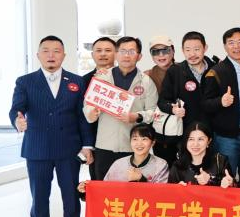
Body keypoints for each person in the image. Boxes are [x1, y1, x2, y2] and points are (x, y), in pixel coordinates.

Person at [9, 35, 93, 217]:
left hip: (69, 149)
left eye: (56, 51)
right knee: (39, 198)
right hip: (38, 149)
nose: (51, 55)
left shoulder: (76, 81)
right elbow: (17, 108)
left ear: (64, 55)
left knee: (70, 197)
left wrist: (87, 145)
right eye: (46, 51)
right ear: (38, 55)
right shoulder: (25, 82)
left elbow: (82, 117)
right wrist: (17, 121)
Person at [79, 124, 168, 217]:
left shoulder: (160, 164)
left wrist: (141, 180)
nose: (139, 143)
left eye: (144, 139)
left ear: (153, 143)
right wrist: (85, 190)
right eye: (135, 139)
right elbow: (104, 193)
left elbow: (163, 196)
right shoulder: (119, 164)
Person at [84, 36, 158, 181]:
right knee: (103, 189)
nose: (126, 55)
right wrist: (92, 113)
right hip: (104, 146)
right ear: (116, 54)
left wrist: (136, 116)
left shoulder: (146, 82)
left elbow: (154, 112)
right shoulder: (102, 78)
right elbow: (88, 108)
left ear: (139, 56)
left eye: (131, 51)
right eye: (122, 51)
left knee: (130, 190)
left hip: (133, 148)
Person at [167, 121, 229, 217]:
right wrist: (176, 191)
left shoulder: (220, 160)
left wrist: (214, 181)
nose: (195, 144)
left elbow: (232, 196)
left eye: (201, 139)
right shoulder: (178, 165)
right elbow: (168, 201)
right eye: (191, 139)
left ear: (209, 141)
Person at [201, 27, 240, 175]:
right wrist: (220, 102)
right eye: (231, 42)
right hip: (227, 138)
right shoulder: (216, 72)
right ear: (225, 46)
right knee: (226, 178)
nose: (236, 46)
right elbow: (205, 104)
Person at [158, 31, 212, 129]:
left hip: (213, 129)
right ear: (182, 50)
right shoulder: (175, 71)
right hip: (186, 129)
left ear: (205, 48)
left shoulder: (215, 69)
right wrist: (173, 109)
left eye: (197, 49)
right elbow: (162, 101)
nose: (192, 54)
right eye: (188, 50)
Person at [145, 35, 178, 164]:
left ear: (173, 51)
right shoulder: (147, 76)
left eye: (165, 50)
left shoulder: (184, 69)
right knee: (164, 167)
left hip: (185, 128)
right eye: (155, 52)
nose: (161, 55)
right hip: (161, 131)